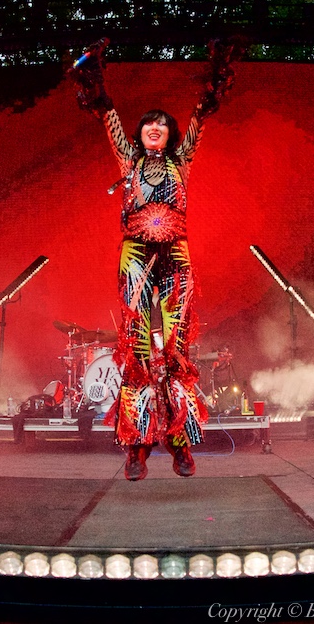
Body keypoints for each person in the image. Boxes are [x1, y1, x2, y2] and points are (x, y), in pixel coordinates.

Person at [70, 38, 243, 480]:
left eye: (161, 125)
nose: (153, 127)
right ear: (139, 133)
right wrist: (98, 86)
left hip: (175, 255)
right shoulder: (128, 163)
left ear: (170, 134)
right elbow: (108, 118)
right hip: (136, 255)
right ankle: (138, 447)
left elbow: (200, 121)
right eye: (147, 123)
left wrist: (211, 89)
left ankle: (181, 444)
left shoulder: (181, 163)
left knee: (176, 351)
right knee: (139, 351)